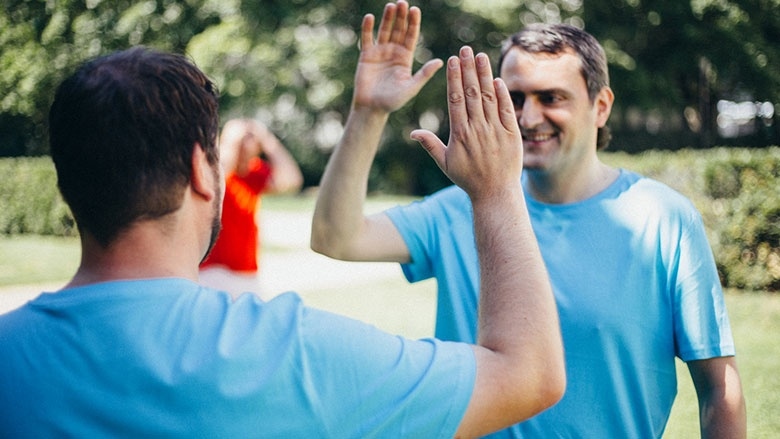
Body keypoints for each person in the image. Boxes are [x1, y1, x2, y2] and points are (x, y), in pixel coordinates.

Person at [0, 2, 566, 437]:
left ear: (66, 186)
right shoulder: (290, 353)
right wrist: (495, 193)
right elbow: (529, 377)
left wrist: (368, 113)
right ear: (203, 170)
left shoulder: (11, 357)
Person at [311, 11, 746, 439]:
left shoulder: (662, 218)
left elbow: (717, 387)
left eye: (551, 98)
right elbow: (337, 237)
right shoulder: (463, 205)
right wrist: (368, 112)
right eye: (514, 98)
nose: (527, 117)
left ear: (601, 106)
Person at [199, 117, 303, 300]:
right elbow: (217, 181)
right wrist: (232, 140)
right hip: (213, 271)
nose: (246, 143)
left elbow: (291, 180)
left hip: (247, 272)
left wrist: (268, 141)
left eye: (251, 138)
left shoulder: (253, 173)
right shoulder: (215, 170)